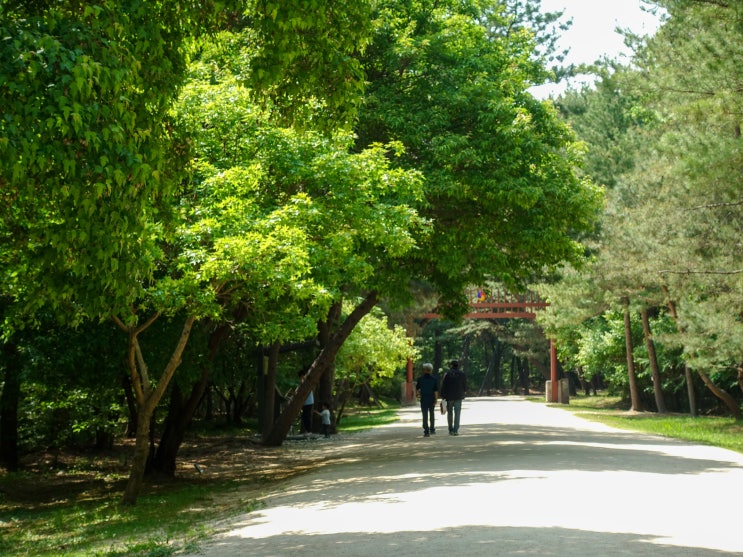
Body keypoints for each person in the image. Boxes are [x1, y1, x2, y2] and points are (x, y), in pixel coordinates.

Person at [440, 360, 466, 435]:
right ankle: (456, 430)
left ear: (451, 365)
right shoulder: (462, 374)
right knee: (457, 413)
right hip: (458, 396)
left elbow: (443, 385)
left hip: (449, 396)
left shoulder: (447, 374)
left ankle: (450, 429)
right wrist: (464, 392)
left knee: (450, 413)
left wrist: (442, 395)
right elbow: (464, 384)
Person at [415, 362, 438, 437]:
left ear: (424, 370)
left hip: (424, 398)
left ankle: (426, 431)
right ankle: (432, 429)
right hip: (431, 398)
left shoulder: (420, 379)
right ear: (430, 370)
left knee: (424, 415)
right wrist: (436, 400)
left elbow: (417, 390)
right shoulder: (434, 379)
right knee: (432, 414)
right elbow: (436, 391)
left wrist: (417, 395)